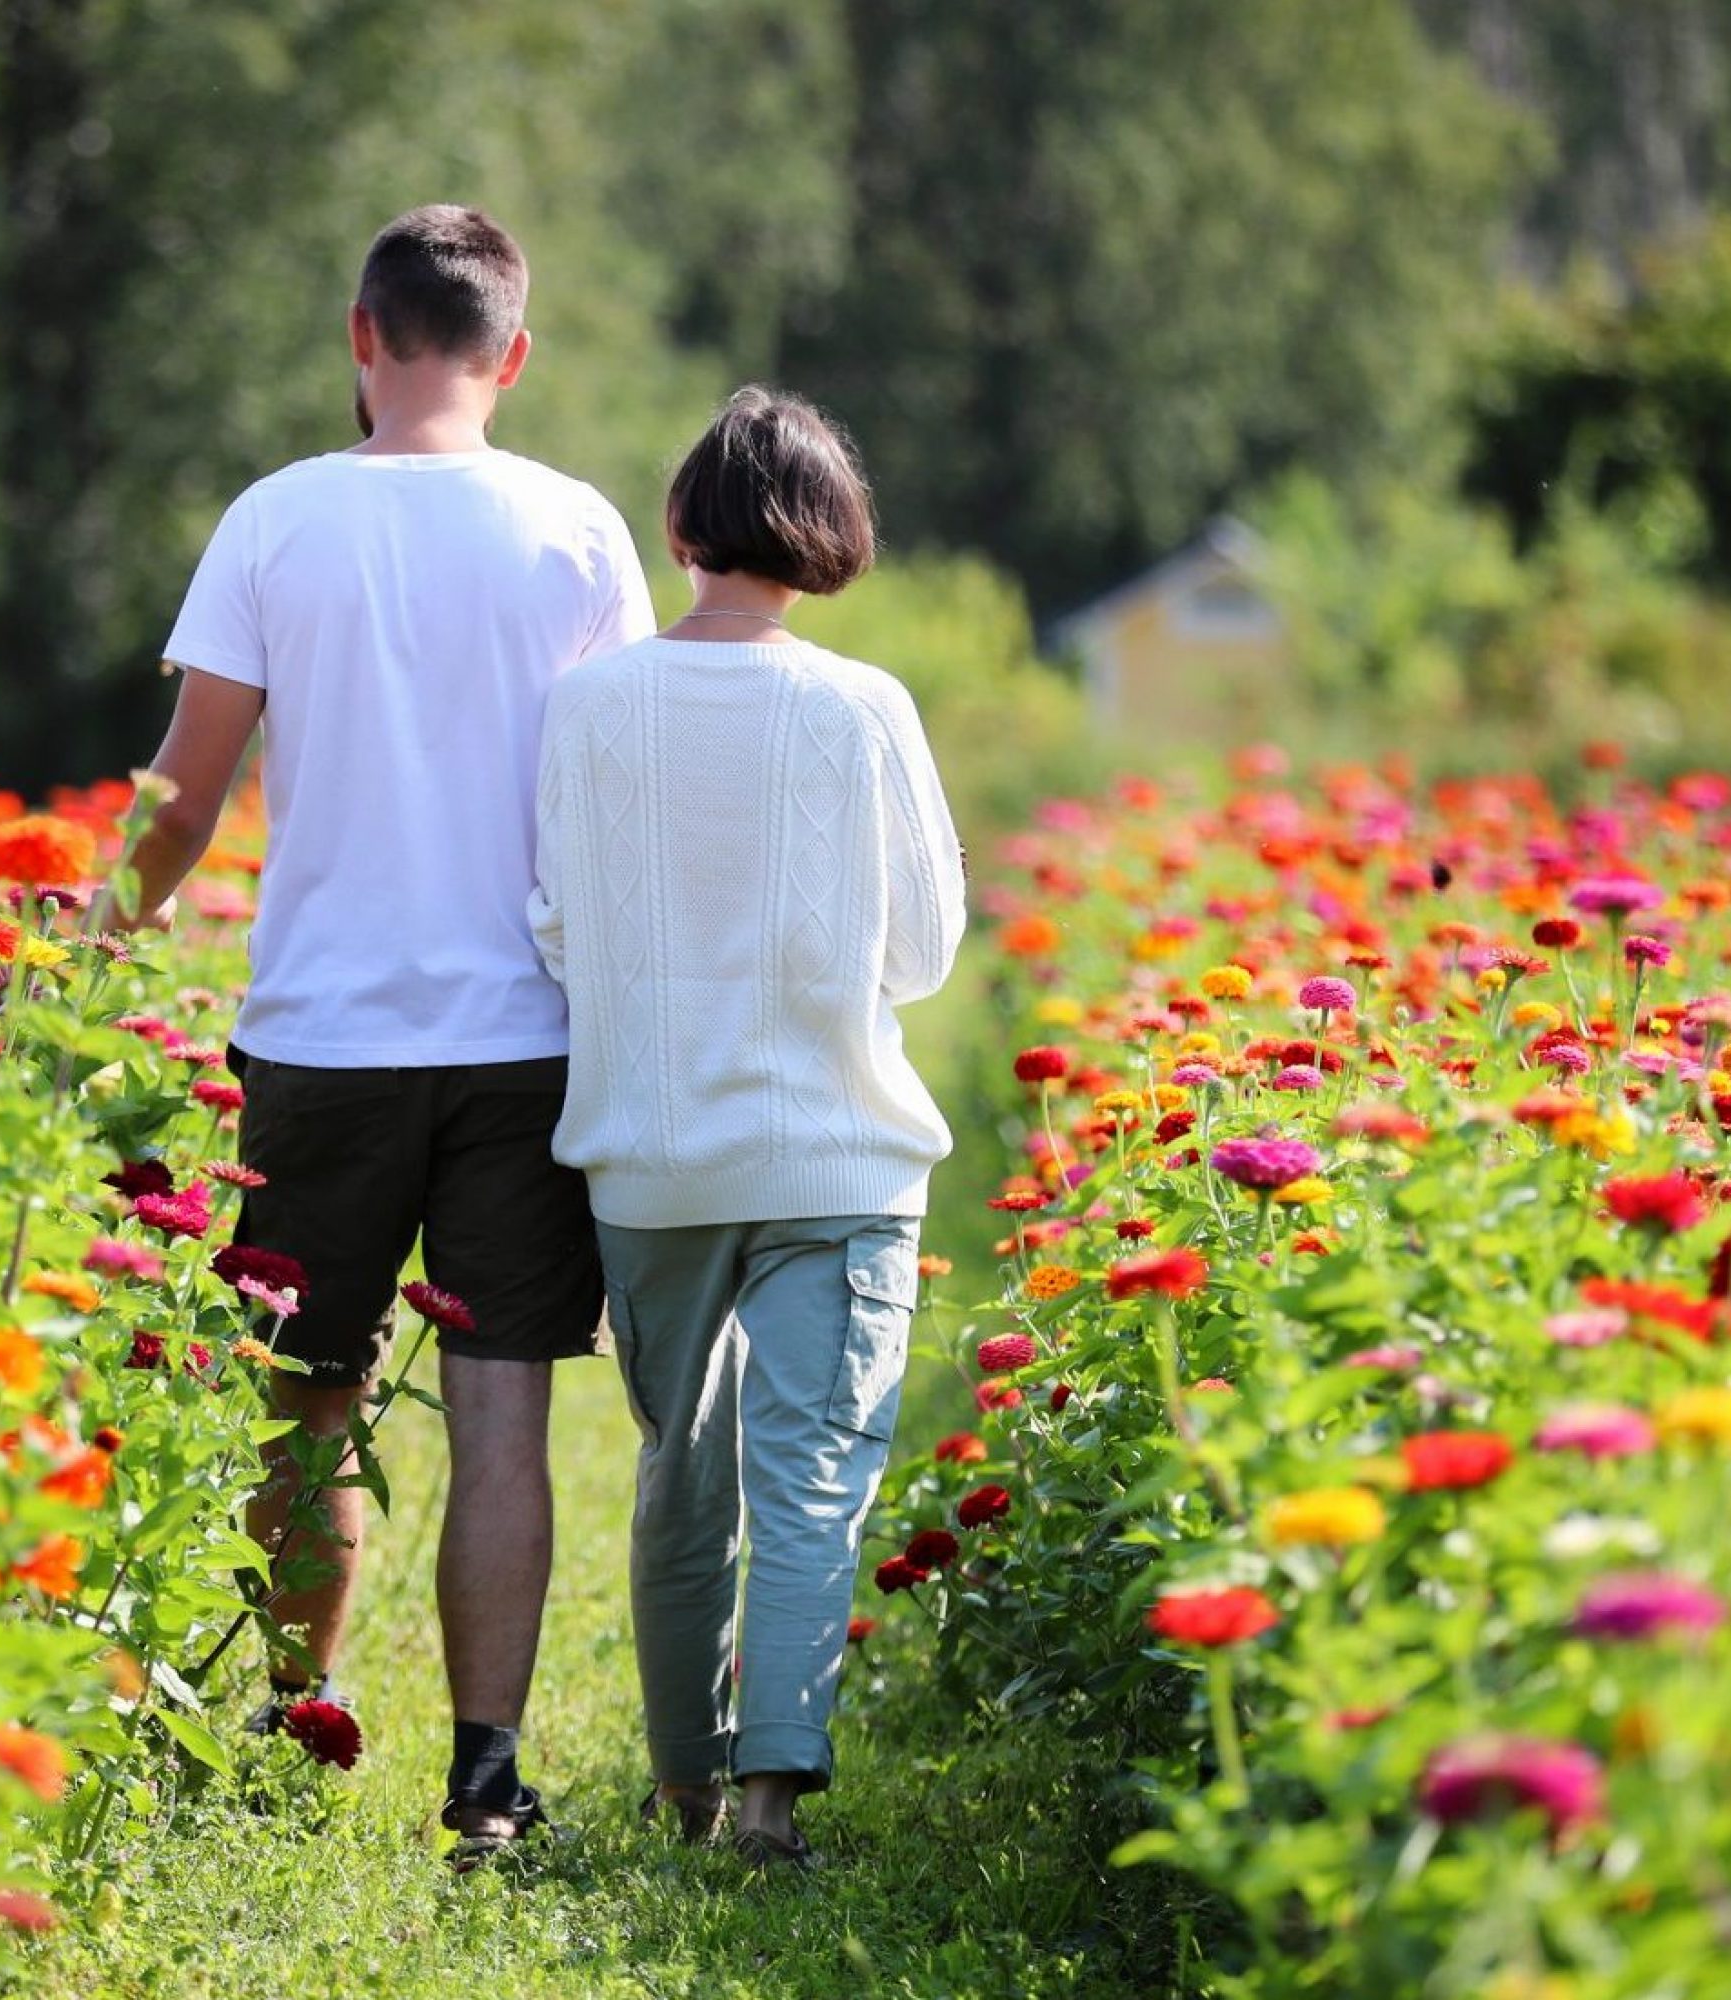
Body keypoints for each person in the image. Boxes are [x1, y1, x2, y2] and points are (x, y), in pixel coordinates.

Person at [91, 205, 654, 1860]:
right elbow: (619, 789)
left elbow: (181, 797)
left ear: (361, 334)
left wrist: (81, 956)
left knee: (305, 1398)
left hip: (321, 1038)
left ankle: (287, 1727)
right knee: (499, 1412)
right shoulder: (577, 532)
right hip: (524, 1037)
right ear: (515, 352)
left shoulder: (275, 522)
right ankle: (486, 1778)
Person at [528, 386, 963, 1869]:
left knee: (680, 1464)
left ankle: (684, 1784)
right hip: (838, 1152)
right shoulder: (863, 707)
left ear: (681, 529)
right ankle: (771, 1804)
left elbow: (557, 925)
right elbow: (925, 958)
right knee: (815, 1469)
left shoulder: (587, 706)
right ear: (832, 537)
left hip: (652, 1160)